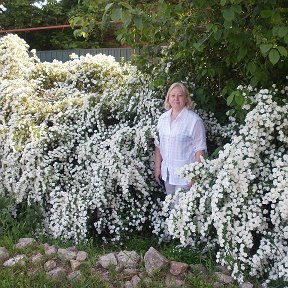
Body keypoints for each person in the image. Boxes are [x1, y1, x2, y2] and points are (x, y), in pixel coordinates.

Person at [154, 82, 207, 196]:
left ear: (186, 99)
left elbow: (200, 149)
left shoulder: (194, 121)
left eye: (180, 95)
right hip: (167, 174)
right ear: (168, 98)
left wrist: (195, 175)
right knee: (171, 209)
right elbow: (158, 145)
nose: (176, 99)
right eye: (173, 96)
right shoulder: (162, 119)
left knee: (180, 211)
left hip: (185, 177)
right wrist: (157, 167)